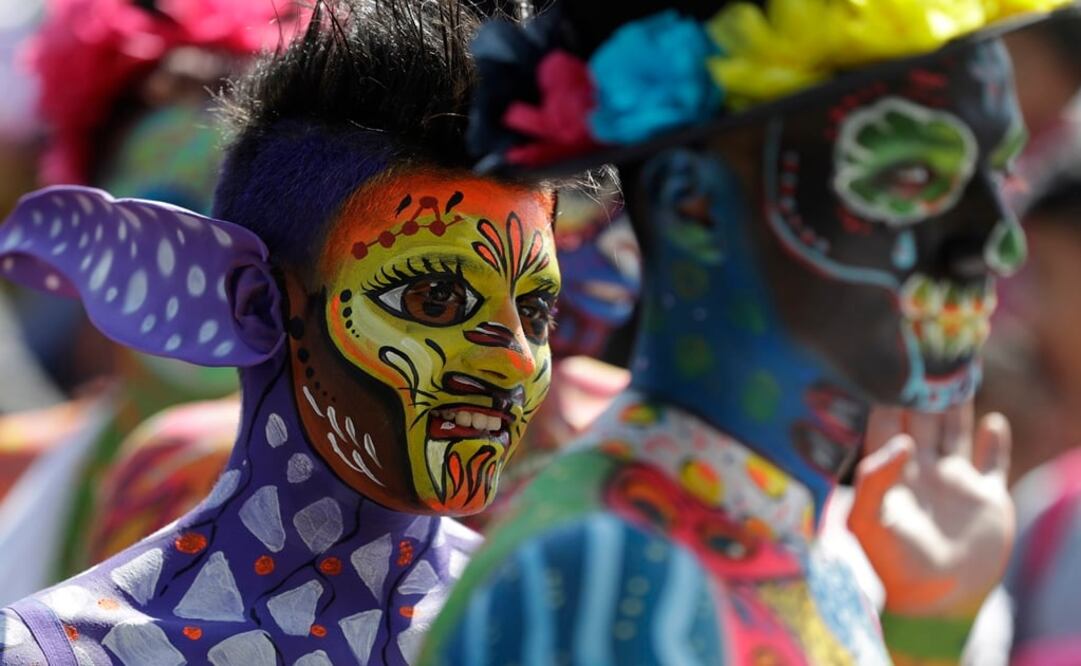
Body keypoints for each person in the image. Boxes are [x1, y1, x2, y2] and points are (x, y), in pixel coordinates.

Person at [421, 1, 1069, 664]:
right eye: (913, 178)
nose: (994, 243)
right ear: (692, 206)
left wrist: (931, 617)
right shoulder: (615, 569)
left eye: (996, 176)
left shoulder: (818, 564)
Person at [0, 0, 561, 662]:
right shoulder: (61, 651)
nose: (518, 362)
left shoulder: (569, 630)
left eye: (534, 311)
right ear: (256, 302)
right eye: (435, 298)